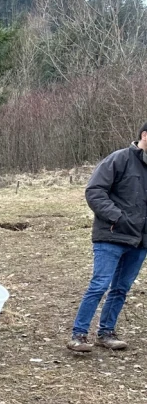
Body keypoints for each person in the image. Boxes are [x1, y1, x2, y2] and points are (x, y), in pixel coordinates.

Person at [67, 123, 147, 353]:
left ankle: (106, 333)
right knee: (99, 285)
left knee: (121, 288)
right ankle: (78, 335)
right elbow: (94, 191)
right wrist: (117, 217)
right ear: (144, 135)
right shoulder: (119, 159)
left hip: (140, 241)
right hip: (111, 236)